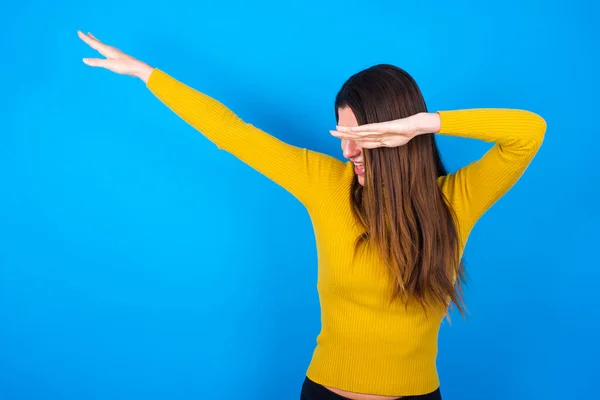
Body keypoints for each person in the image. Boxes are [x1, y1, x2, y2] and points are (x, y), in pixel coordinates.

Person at [77, 30, 546, 400]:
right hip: (324, 392)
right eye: (342, 135)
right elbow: (233, 133)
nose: (346, 151)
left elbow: (529, 132)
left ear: (396, 135)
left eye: (359, 136)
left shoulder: (455, 201)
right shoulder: (324, 183)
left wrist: (426, 123)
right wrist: (147, 74)